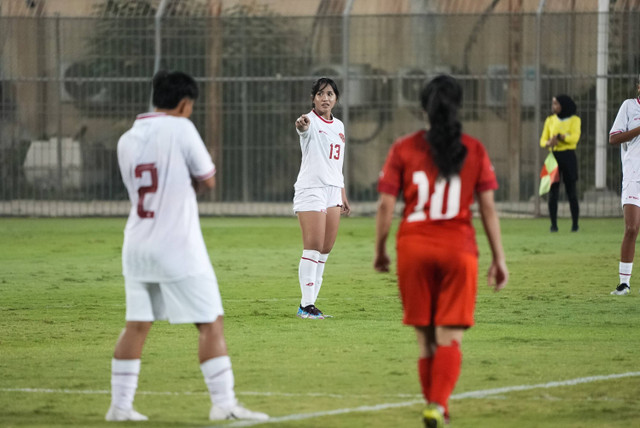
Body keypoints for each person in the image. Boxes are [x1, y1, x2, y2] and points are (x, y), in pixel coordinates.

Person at [106, 71, 268, 422]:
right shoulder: (181, 127)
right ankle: (224, 404)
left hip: (136, 243)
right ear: (184, 103)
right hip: (176, 244)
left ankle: (119, 407)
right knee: (211, 321)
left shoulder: (127, 138)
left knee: (137, 324)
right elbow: (208, 179)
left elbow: (147, 189)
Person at [374, 75, 508, 427]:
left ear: (423, 110)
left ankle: (437, 407)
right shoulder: (474, 149)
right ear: (459, 107)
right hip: (458, 250)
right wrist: (499, 258)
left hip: (413, 248)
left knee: (425, 340)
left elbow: (386, 205)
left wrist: (380, 250)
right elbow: (488, 209)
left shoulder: (403, 147)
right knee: (450, 336)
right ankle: (438, 404)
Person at [293, 77, 351, 320]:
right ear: (313, 98)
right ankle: (306, 306)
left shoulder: (339, 126)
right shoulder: (309, 121)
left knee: (325, 250)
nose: (325, 98)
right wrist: (302, 125)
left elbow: (336, 164)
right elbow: (302, 128)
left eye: (330, 94)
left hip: (332, 189)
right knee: (313, 247)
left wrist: (342, 191)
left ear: (336, 98)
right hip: (311, 188)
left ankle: (311, 305)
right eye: (320, 94)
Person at [610, 76, 640, 296]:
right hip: (633, 176)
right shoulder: (629, 106)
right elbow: (614, 138)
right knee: (631, 228)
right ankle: (624, 283)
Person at [539, 94, 581, 232]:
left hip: (568, 156)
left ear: (564, 105)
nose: (553, 107)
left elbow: (574, 138)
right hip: (553, 157)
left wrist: (561, 137)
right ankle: (553, 225)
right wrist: (549, 142)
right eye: (553, 104)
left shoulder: (575, 120)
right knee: (553, 192)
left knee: (571, 192)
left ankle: (575, 224)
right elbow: (542, 141)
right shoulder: (550, 120)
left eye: (556, 104)